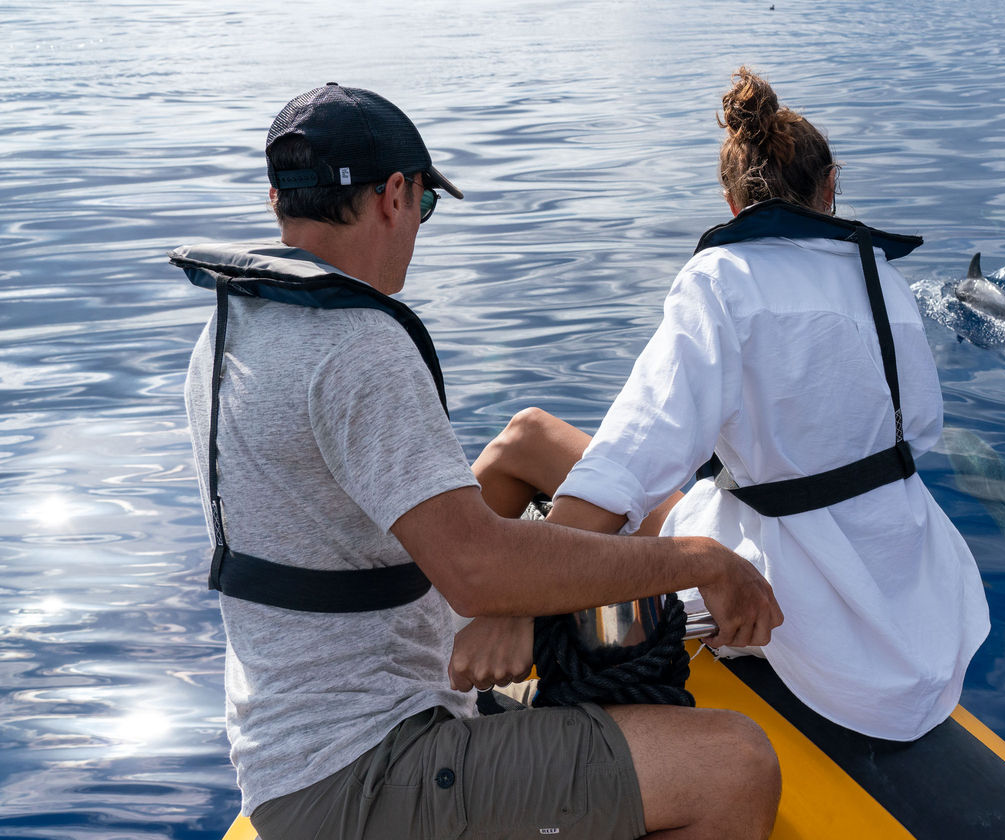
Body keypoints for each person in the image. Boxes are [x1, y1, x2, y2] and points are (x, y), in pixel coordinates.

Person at [176, 83, 783, 840]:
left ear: (279, 200)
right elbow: (476, 569)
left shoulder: (231, 330)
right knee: (734, 766)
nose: (419, 229)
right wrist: (702, 561)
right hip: (363, 774)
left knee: (605, 630)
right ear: (395, 194)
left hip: (286, 756)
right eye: (425, 207)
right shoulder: (356, 346)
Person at [471, 68, 989, 742]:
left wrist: (520, 596)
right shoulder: (883, 281)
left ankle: (425, 620)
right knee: (546, 441)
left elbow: (628, 458)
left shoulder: (720, 279)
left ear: (729, 199)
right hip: (913, 614)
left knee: (524, 439)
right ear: (831, 187)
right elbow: (918, 430)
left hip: (783, 607)